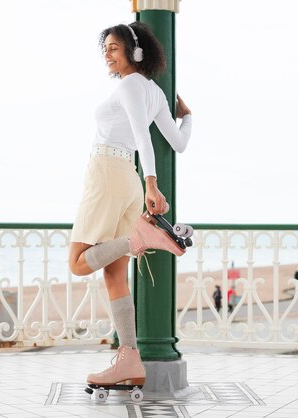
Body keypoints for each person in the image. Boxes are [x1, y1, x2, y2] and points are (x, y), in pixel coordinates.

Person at [67, 22, 192, 388]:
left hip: (107, 172)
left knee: (77, 264)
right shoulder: (152, 91)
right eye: (105, 48)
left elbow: (142, 134)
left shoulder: (129, 86)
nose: (107, 53)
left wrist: (152, 184)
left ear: (136, 52)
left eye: (114, 48)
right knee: (114, 275)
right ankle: (129, 361)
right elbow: (178, 143)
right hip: (128, 180)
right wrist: (189, 117)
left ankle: (139, 238)